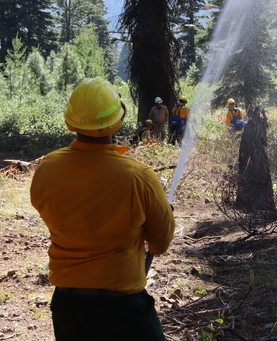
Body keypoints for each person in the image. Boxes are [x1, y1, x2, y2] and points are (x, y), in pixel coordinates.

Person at [30, 77, 175, 341]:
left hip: (68, 308)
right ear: (117, 121)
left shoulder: (48, 168)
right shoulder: (138, 176)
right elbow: (160, 244)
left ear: (70, 121)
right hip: (124, 308)